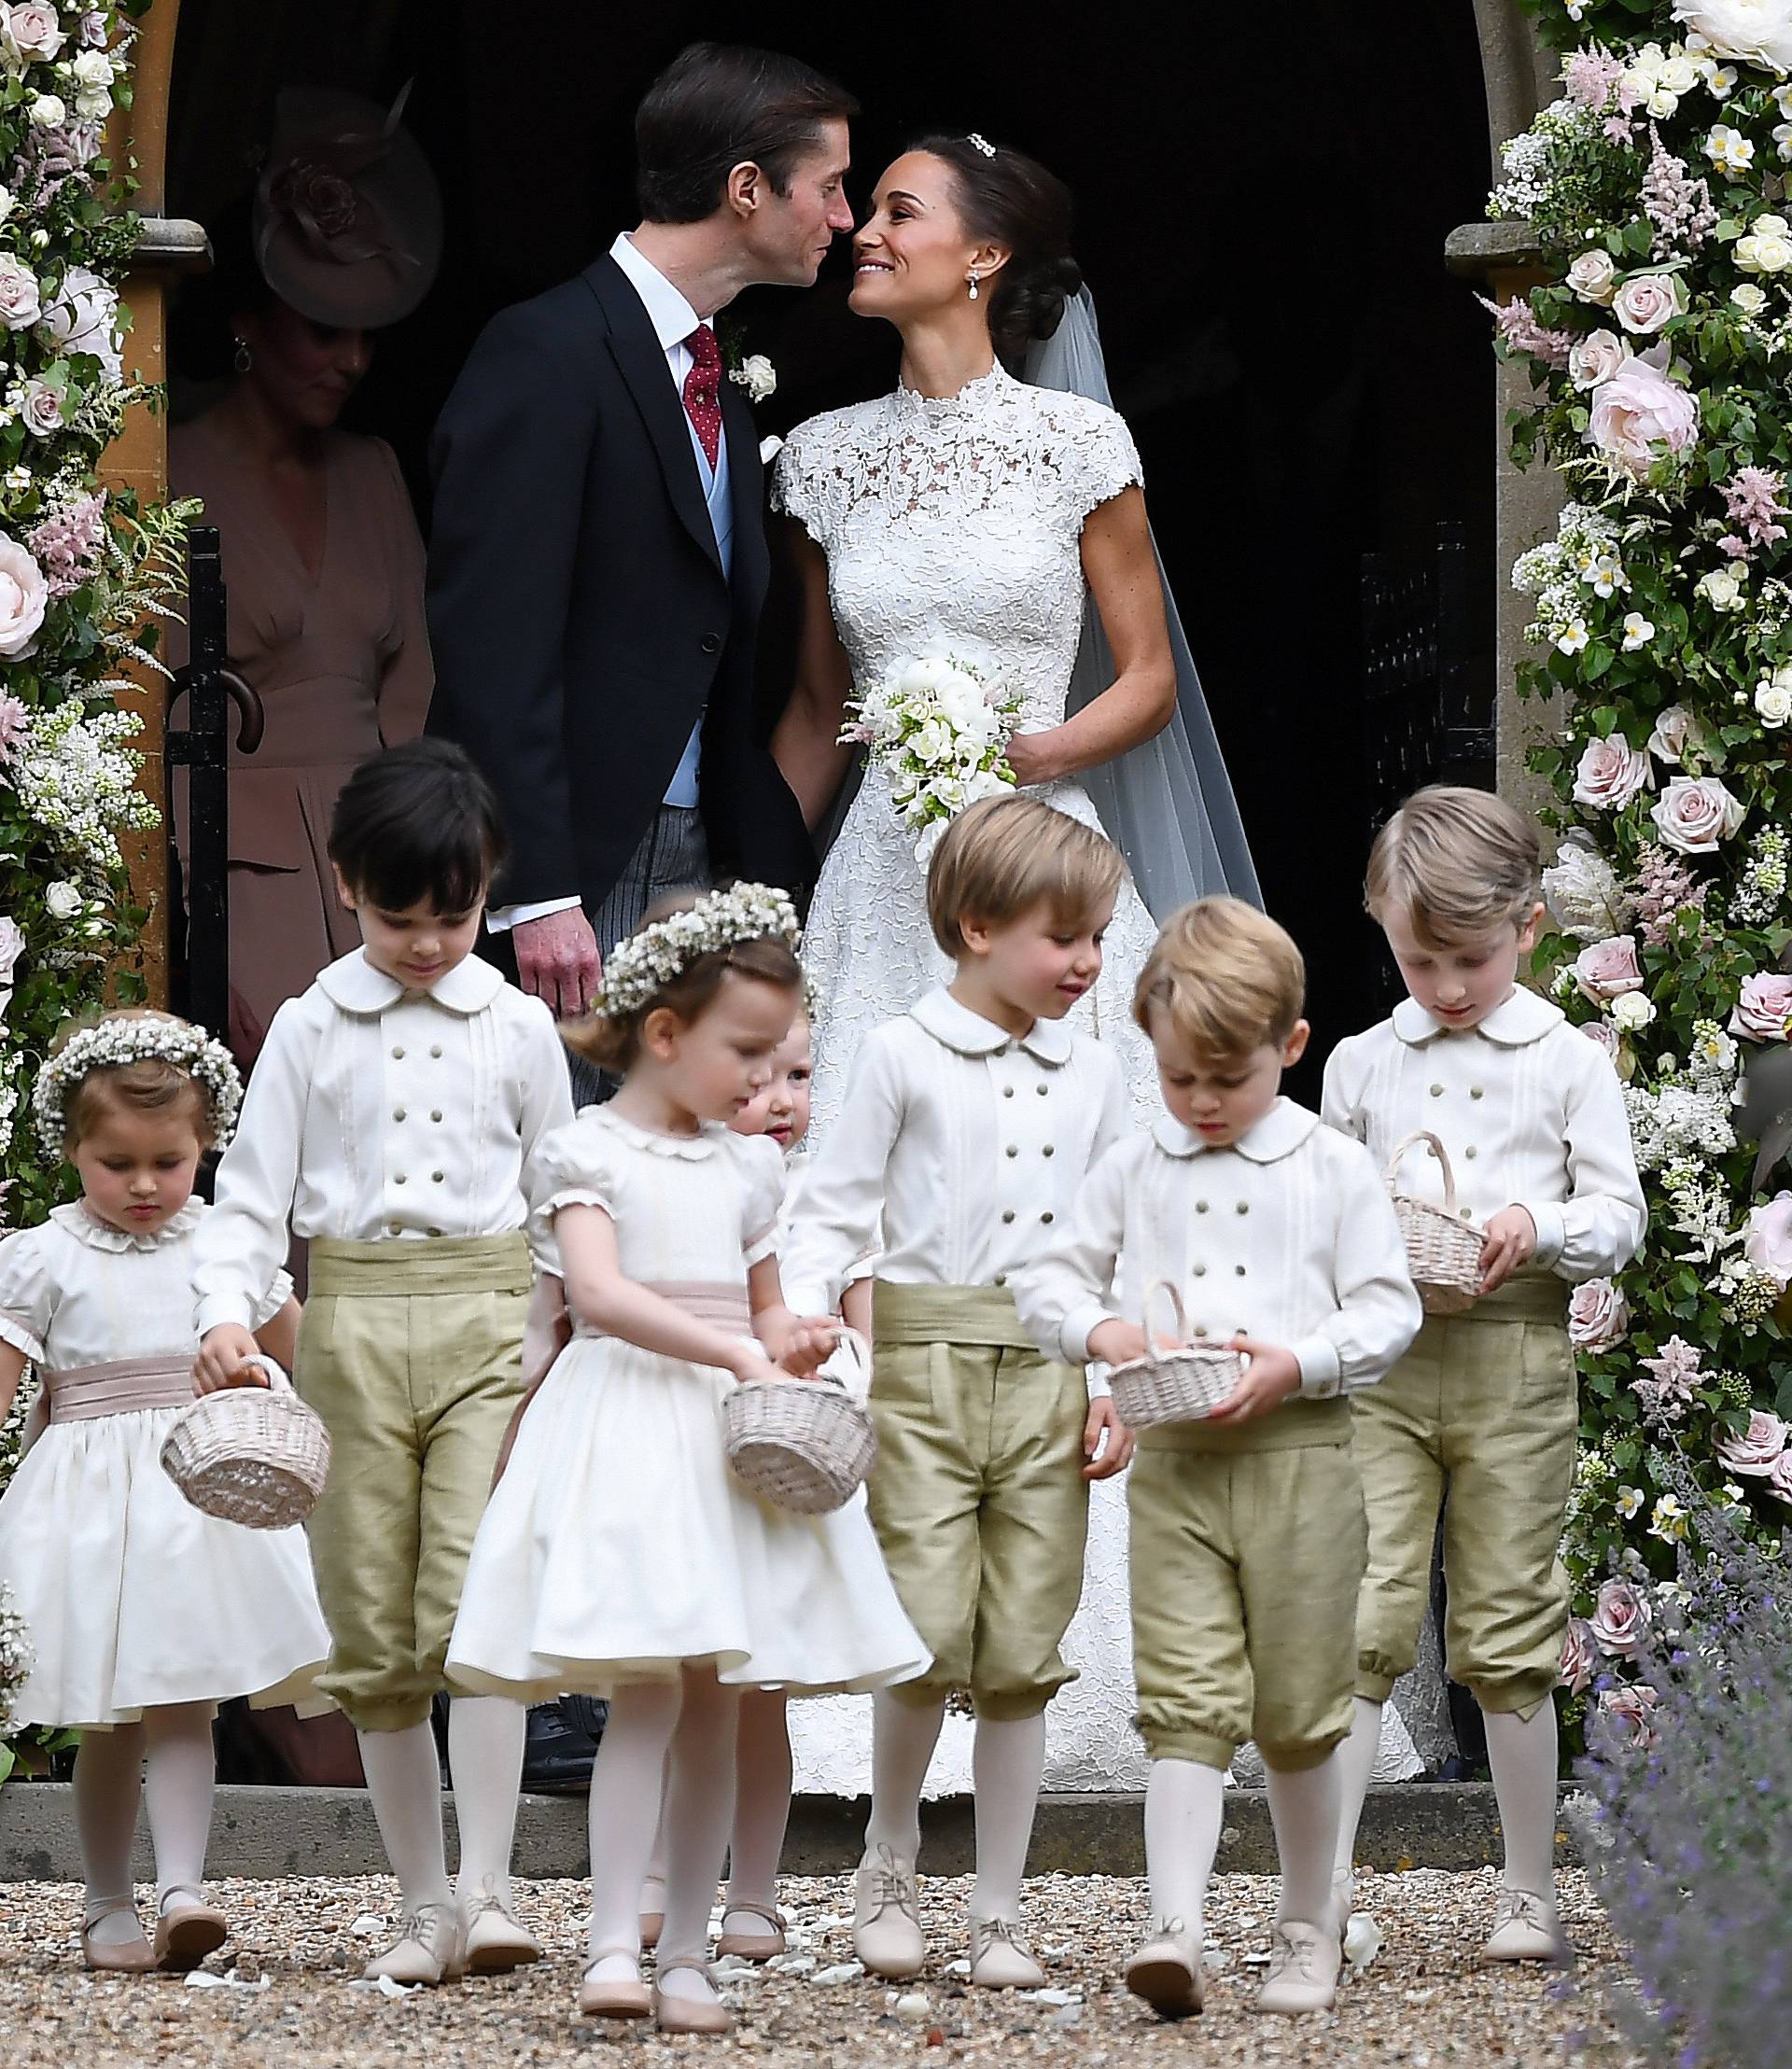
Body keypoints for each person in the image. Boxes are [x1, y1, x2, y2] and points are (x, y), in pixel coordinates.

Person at [443, 885, 927, 2034]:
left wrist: (795, 1338)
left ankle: (693, 1952)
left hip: (728, 1443)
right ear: (666, 1035)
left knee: (718, 1697)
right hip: (628, 1432)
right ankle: (617, 1938)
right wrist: (732, 1348)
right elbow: (600, 1297)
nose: (769, 1087)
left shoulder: (750, 1172)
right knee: (650, 1693)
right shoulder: (584, 1151)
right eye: (747, 1055)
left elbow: (767, 1310)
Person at [770, 133, 1257, 1146]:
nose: (864, 231)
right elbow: (821, 711)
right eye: (871, 212)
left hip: (1045, 859)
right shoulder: (819, 460)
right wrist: (768, 888)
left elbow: (1149, 679)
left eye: (901, 214)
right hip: (880, 873)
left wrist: (1030, 759)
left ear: (984, 257)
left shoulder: (1078, 445)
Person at [190, 740, 574, 1987]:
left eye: (453, 916)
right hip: (349, 1326)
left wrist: (547, 1332)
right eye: (397, 915)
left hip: (487, 1324)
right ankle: (422, 1902)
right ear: (348, 884)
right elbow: (249, 1201)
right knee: (376, 1619)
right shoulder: (310, 1026)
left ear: (488, 888)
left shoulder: (519, 1025)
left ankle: (494, 1888)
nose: (425, 942)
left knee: (483, 1600)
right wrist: (227, 1308)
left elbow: (563, 1193)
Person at [427, 43, 855, 1099]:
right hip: (577, 864)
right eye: (833, 187)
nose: (843, 221)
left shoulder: (720, 374)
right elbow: (495, 636)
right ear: (747, 190)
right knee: (575, 1187)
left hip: (702, 850)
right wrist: (537, 889)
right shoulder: (546, 351)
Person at [1017, 898, 1421, 2017]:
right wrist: (1105, 1335)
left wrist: (1297, 1362)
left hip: (1305, 1465)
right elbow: (1051, 1277)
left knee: (1298, 1707)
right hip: (1179, 1470)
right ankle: (1177, 1930)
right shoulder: (1136, 1162)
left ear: (1289, 1048)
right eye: (1179, 1079)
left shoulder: (1331, 1168)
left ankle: (1307, 1922)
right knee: (1184, 1702)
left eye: (1224, 1081)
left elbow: (1389, 1312)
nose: (1198, 1104)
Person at [781, 797, 1134, 1989]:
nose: (1088, 962)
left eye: (1097, 938)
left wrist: (1115, 1377)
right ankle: (888, 1862)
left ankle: (999, 1910)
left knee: (1026, 1641)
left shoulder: (1095, 1072)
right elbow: (831, 1202)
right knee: (927, 1630)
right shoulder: (899, 1052)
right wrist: (809, 1318)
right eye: (1064, 937)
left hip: (1047, 1369)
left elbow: (1117, 1236)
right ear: (977, 927)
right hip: (923, 1369)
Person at [1322, 787, 1646, 1961]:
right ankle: (1325, 1887)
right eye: (1421, 962)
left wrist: (1535, 1225)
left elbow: (1621, 1213)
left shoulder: (1566, 1060)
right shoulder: (1361, 1064)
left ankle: (1527, 1890)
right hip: (1388, 1365)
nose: (1448, 988)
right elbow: (1331, 1208)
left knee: (1509, 1619)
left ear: (1529, 926)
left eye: (1470, 957)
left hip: (1514, 1356)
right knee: (1361, 1614)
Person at [0, 1013, 328, 1972]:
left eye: (168, 1162)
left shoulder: (224, 1247)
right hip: (86, 1505)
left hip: (197, 1498)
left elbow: (296, 1348)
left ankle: (184, 1888)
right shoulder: (40, 1255)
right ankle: (106, 1904)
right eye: (117, 1163)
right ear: (72, 1149)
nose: (144, 1186)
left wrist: (284, 1396)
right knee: (107, 1711)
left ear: (205, 1147)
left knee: (184, 1695)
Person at [171, 86, 440, 1067]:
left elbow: (413, 696)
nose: (354, 360)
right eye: (326, 332)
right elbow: (149, 723)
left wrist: (425, 885)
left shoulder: (373, 471)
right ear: (251, 325)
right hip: (236, 880)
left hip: (379, 874)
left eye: (367, 336)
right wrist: (200, 949)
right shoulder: (172, 476)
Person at [638, 1001, 851, 1963]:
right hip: (683, 1453)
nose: (778, 1101)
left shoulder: (835, 1198)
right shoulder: (678, 1182)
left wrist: (832, 1364)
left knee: (758, 1691)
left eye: (799, 1079)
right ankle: (651, 1871)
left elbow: (865, 1325)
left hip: (782, 1460)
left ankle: (756, 1891)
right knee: (661, 1679)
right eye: (757, 1077)